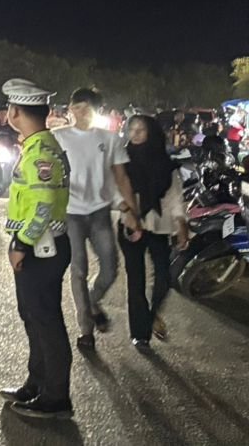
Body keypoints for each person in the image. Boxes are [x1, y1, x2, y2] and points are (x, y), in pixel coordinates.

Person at [0, 78, 74, 420]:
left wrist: (21, 244)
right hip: (41, 247)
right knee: (33, 317)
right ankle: (37, 383)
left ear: (15, 112)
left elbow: (42, 207)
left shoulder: (41, 152)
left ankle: (56, 398)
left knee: (46, 321)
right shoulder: (37, 146)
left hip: (42, 248)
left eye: (9, 108)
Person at [58, 87, 140, 351]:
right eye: (77, 107)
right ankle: (85, 330)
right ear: (70, 109)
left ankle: (92, 302)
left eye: (86, 108)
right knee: (78, 270)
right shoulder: (57, 137)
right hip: (70, 212)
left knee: (110, 268)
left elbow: (121, 177)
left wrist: (130, 212)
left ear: (96, 111)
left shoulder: (110, 139)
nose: (81, 113)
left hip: (99, 212)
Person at [117, 115, 188, 350]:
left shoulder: (165, 163)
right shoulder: (122, 161)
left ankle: (152, 314)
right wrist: (128, 212)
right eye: (132, 129)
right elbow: (112, 191)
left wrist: (181, 225)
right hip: (131, 223)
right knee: (135, 280)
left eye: (141, 130)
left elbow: (175, 197)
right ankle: (140, 334)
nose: (135, 134)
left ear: (152, 133)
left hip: (159, 224)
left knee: (164, 276)